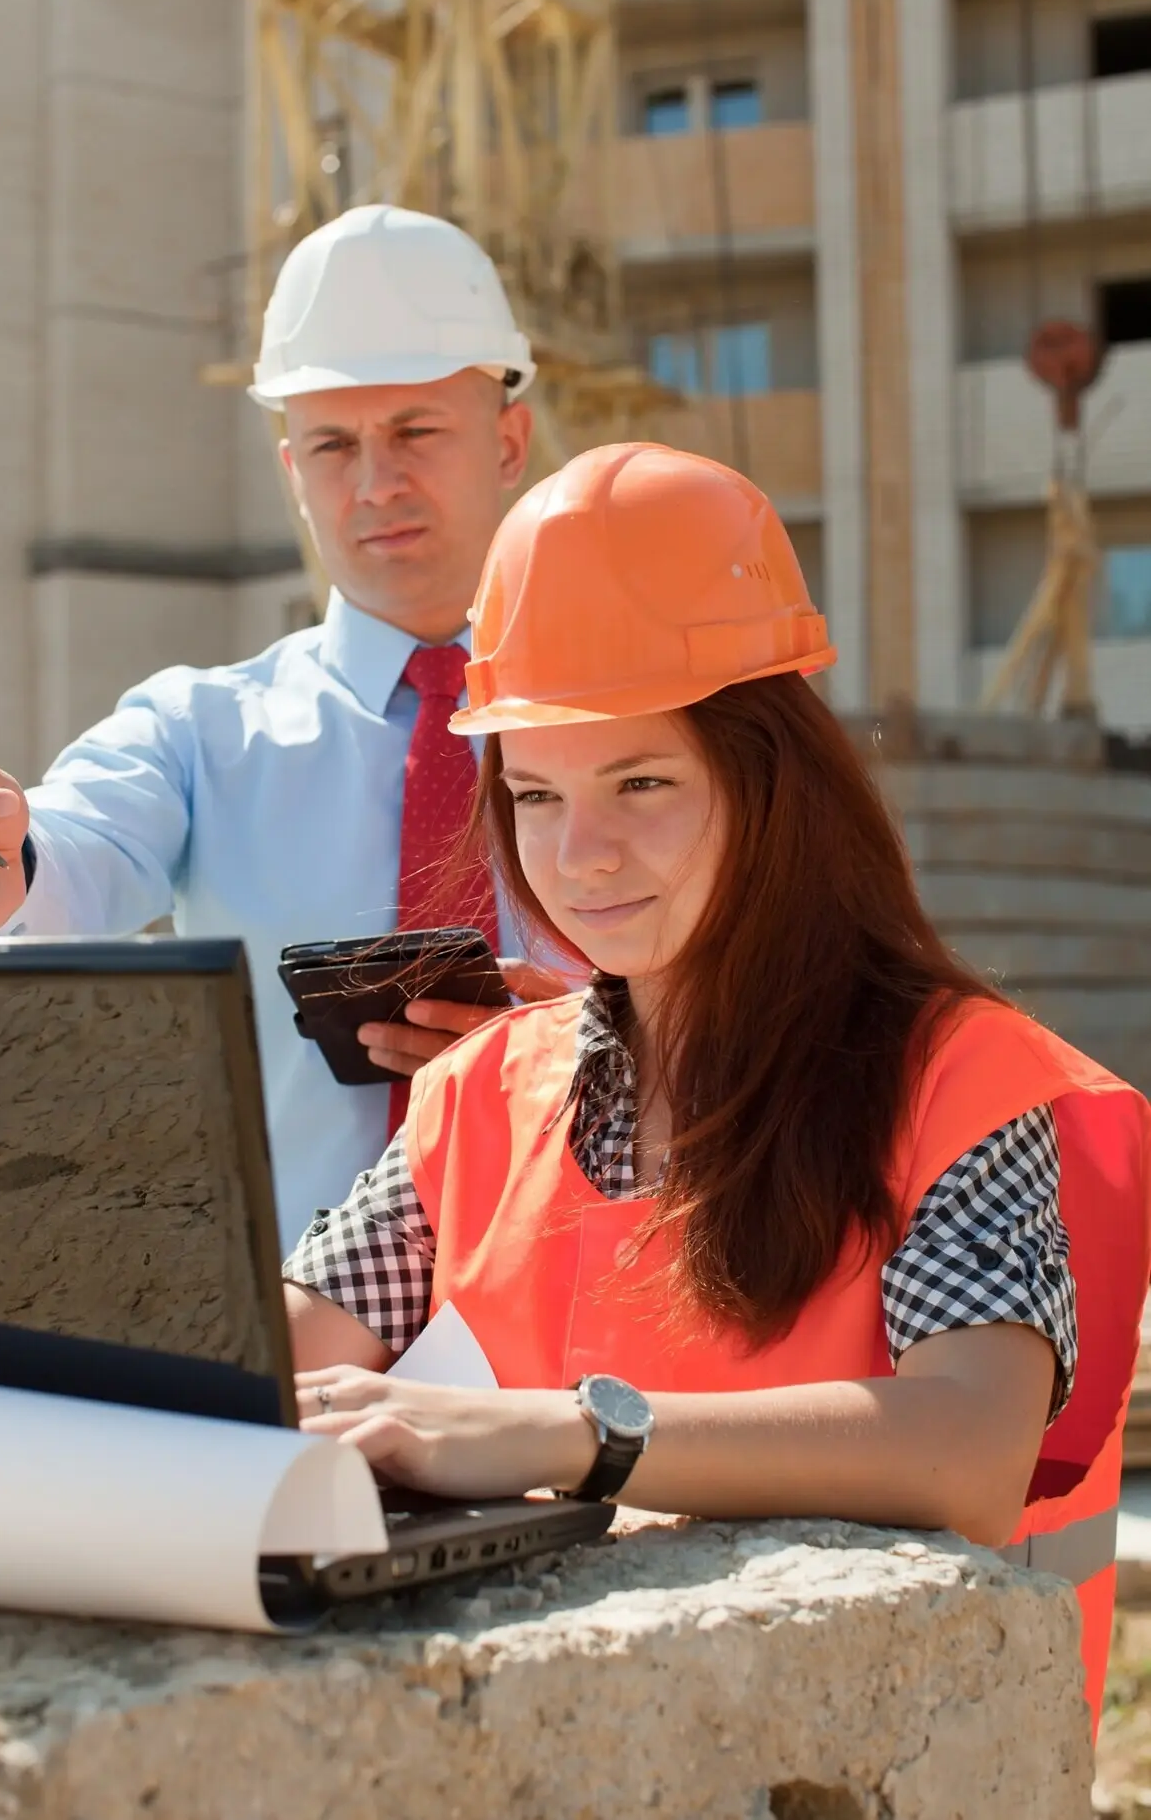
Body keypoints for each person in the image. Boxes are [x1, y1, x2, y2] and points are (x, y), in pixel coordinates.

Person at [285, 441, 1151, 1725]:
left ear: (772, 789)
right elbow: (276, 1360)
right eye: (535, 794)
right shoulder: (485, 1092)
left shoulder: (960, 1080)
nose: (580, 856)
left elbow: (971, 1451)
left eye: (642, 782)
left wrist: (572, 1434)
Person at [0, 206, 559, 1242]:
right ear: (293, 476)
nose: (376, 484)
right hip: (291, 1348)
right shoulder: (199, 730)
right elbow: (72, 854)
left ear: (508, 441)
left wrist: (583, 1039)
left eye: (417, 431)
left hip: (574, 1340)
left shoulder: (640, 726)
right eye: (332, 444)